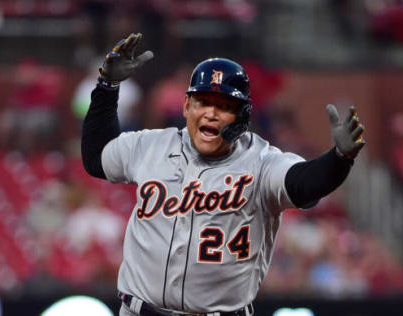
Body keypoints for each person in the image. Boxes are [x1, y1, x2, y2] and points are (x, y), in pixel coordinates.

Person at [81, 33, 365, 316]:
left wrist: (339, 159)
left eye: (224, 106)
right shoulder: (151, 146)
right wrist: (107, 86)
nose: (211, 113)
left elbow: (304, 184)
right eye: (202, 102)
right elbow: (96, 158)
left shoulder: (262, 162)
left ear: (242, 116)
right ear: (185, 106)